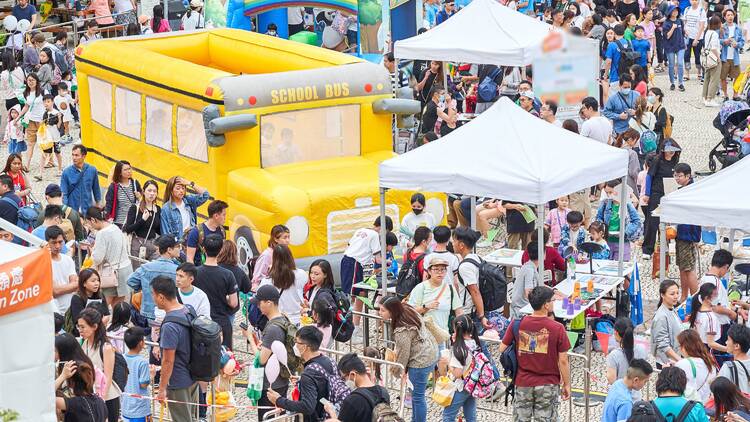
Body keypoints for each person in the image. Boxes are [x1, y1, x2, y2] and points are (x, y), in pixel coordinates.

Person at [499, 286, 571, 421]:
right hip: (548, 384)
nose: (553, 303)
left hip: (523, 382)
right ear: (546, 305)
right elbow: (563, 361)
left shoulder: (517, 324)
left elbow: (502, 348)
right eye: (552, 300)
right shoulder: (557, 328)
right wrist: (567, 384)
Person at [378, 297, 436, 422]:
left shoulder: (402, 329)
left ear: (392, 311)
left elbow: (403, 355)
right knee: (417, 396)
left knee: (418, 397)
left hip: (420, 361)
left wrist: (396, 371)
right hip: (429, 352)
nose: (379, 313)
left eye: (382, 310)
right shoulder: (408, 310)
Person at [152, 275, 199, 421]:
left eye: (153, 295)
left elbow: (168, 361)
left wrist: (161, 389)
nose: (153, 299)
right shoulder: (188, 310)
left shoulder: (169, 326)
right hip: (193, 376)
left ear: (161, 297)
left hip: (178, 382)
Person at [266, 326, 335, 422]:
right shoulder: (329, 361)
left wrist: (279, 400)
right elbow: (321, 385)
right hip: (328, 414)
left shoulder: (309, 374)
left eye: (296, 342)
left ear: (305, 347)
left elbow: (307, 406)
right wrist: (301, 381)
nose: (295, 346)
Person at [341, 216, 392, 326]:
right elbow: (378, 259)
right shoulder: (375, 235)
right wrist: (389, 262)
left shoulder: (360, 230)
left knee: (361, 293)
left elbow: (349, 246)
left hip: (348, 261)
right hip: (354, 264)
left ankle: (356, 325)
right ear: (384, 228)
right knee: (351, 297)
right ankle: (347, 328)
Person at [252, 285, 291, 421]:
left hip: (271, 385)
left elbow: (261, 359)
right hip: (281, 381)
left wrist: (250, 339)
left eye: (259, 302)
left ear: (269, 303)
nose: (257, 306)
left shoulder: (273, 328)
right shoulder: (284, 319)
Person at [193, 234, 238, 348]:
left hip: (199, 323)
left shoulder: (195, 273)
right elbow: (234, 303)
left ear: (203, 249)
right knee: (225, 361)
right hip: (221, 322)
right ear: (220, 250)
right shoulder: (228, 275)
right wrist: (225, 298)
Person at [77, 308, 122, 421]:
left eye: (83, 327)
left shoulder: (106, 347)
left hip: (107, 398)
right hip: (92, 395)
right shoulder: (85, 344)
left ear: (95, 327)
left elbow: (108, 377)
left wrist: (101, 401)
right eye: (79, 326)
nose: (80, 330)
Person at [438, 314, 481, 422]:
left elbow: (457, 373)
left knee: (448, 415)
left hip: (460, 386)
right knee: (470, 415)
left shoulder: (460, 350)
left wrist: (448, 362)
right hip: (471, 384)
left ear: (456, 330)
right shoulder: (474, 343)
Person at [642, 139, 681, 258]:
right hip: (656, 194)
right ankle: (647, 249)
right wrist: (647, 194)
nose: (671, 153)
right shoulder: (657, 160)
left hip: (669, 194)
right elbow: (649, 177)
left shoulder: (675, 162)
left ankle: (666, 246)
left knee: (669, 222)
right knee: (652, 222)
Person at [86, 206, 133, 306]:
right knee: (119, 304)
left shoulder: (102, 234)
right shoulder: (115, 227)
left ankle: (104, 321)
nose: (89, 226)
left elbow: (98, 258)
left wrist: (92, 252)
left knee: (105, 305)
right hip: (125, 269)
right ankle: (116, 321)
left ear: (93, 220)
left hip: (111, 273)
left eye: (89, 223)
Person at [127, 235, 180, 321]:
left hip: (147, 312)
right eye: (178, 246)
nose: (180, 249)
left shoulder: (146, 267)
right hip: (170, 313)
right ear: (169, 250)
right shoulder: (178, 270)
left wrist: (145, 288)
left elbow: (131, 281)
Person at [408, 257, 463, 337]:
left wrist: (459, 331)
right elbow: (409, 312)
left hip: (443, 335)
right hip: (424, 337)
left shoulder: (450, 289)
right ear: (429, 271)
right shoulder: (421, 288)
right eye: (436, 269)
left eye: (442, 269)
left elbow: (459, 312)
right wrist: (426, 307)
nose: (439, 272)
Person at [329, 353, 391, 422]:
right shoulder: (384, 392)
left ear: (352, 374)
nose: (344, 382)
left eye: (344, 378)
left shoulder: (352, 401)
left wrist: (332, 413)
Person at [453, 227, 492, 331]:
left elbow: (474, 291)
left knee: (473, 343)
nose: (452, 243)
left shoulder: (465, 267)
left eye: (454, 240)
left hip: (470, 312)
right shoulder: (476, 257)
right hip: (477, 309)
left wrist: (481, 316)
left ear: (461, 245)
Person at [596, 179, 642, 260]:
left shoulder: (627, 204)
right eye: (607, 193)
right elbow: (598, 218)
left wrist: (625, 232)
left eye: (611, 192)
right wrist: (602, 229)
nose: (609, 195)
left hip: (623, 243)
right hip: (607, 241)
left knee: (622, 267)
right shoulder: (605, 203)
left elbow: (637, 221)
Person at [700, 249, 736, 346]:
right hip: (719, 326)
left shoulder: (704, 278)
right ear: (726, 266)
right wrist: (731, 313)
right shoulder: (715, 282)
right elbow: (714, 307)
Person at [123, 179, 162, 268]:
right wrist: (143, 220)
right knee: (137, 272)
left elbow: (158, 230)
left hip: (152, 245)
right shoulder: (135, 208)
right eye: (149, 190)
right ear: (143, 192)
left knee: (152, 271)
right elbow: (128, 228)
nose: (152, 193)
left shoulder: (157, 209)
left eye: (154, 191)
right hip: (137, 244)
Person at [159, 175, 209, 241]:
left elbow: (205, 195)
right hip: (177, 245)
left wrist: (190, 183)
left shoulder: (189, 201)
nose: (181, 191)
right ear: (171, 190)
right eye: (178, 188)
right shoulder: (166, 209)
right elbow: (165, 233)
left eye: (183, 188)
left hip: (192, 242)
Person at [675, 329, 718, 402]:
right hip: (706, 404)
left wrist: (667, 371)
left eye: (680, 345)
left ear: (685, 346)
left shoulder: (682, 364)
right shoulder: (710, 362)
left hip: (688, 406)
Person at [122, 327, 153, 422]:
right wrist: (152, 375)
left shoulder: (122, 358)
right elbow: (143, 384)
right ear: (141, 343)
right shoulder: (142, 362)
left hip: (125, 405)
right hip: (140, 408)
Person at [61, 145, 102, 215]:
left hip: (87, 209)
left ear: (84, 156)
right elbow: (63, 193)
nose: (74, 158)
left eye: (77, 155)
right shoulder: (66, 172)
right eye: (73, 155)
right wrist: (65, 210)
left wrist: (98, 204)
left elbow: (96, 189)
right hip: (72, 211)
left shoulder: (92, 170)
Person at [185, 199, 228, 265]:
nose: (225, 217)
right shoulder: (196, 232)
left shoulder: (222, 231)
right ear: (216, 216)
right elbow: (189, 259)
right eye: (224, 215)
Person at [688, 283, 727, 354]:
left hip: (700, 348)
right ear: (706, 298)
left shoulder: (697, 311)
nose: (717, 297)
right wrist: (729, 349)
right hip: (711, 353)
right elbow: (711, 343)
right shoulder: (710, 317)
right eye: (715, 295)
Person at [607, 318, 649, 384]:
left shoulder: (614, 355)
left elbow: (611, 380)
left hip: (619, 392)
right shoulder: (642, 349)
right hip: (636, 393)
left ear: (616, 333)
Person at [652, 279, 683, 368]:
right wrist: (680, 360)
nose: (676, 296)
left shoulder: (671, 309)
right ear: (662, 295)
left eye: (677, 293)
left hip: (675, 358)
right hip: (667, 362)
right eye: (672, 294)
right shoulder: (661, 317)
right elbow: (663, 344)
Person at [47, 226, 77, 315]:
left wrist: (63, 288)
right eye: (54, 243)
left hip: (69, 310)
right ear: (47, 243)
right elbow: (55, 291)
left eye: (60, 242)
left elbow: (75, 286)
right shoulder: (45, 262)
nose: (57, 246)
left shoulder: (68, 259)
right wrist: (71, 286)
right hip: (54, 312)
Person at [68, 269, 108, 336]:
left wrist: (98, 326)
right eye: (93, 281)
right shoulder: (77, 298)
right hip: (81, 333)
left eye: (98, 280)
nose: (96, 283)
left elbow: (106, 314)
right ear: (84, 283)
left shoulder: (100, 294)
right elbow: (78, 321)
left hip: (98, 329)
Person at [104, 160, 142, 229]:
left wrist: (139, 197)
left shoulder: (135, 184)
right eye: (125, 170)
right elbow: (109, 204)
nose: (129, 171)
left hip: (132, 223)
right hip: (117, 223)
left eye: (129, 168)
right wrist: (107, 219)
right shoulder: (114, 186)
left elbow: (141, 202)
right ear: (119, 173)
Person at [512, 242, 545, 318]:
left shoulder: (529, 265)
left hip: (522, 306)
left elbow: (541, 285)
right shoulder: (529, 270)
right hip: (522, 310)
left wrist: (554, 292)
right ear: (542, 254)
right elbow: (528, 293)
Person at [18, 73, 45, 166]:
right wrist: (18, 117)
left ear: (37, 81)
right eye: (29, 80)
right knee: (30, 143)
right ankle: (27, 164)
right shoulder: (26, 93)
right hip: (30, 120)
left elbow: (49, 104)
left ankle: (50, 161)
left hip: (42, 121)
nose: (30, 82)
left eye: (33, 80)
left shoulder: (43, 92)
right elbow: (26, 106)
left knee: (44, 142)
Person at [252, 224, 290, 290]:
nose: (288, 240)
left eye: (288, 237)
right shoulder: (266, 255)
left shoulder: (286, 252)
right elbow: (257, 279)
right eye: (285, 237)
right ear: (275, 239)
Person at [718, 324, 750, 393]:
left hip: (738, 403)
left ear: (737, 346)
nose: (726, 342)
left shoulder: (728, 367)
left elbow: (719, 391)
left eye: (728, 340)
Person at [720, 9, 744, 100]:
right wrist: (724, 41)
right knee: (723, 77)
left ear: (734, 16)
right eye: (728, 15)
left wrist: (737, 44)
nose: (730, 17)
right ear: (725, 17)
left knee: (737, 77)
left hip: (735, 57)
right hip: (724, 57)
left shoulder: (738, 28)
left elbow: (742, 42)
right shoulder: (721, 27)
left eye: (731, 15)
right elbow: (717, 40)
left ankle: (735, 95)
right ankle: (725, 95)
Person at [662, 5, 686, 91]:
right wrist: (672, 28)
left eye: (676, 11)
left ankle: (680, 83)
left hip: (680, 46)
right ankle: (672, 82)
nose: (675, 12)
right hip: (670, 47)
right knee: (671, 65)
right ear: (669, 12)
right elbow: (667, 36)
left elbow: (682, 33)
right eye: (673, 11)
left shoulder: (680, 21)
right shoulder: (666, 23)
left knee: (680, 63)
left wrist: (685, 38)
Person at [683, 0, 706, 82]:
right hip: (688, 37)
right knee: (686, 55)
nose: (693, 1)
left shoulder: (701, 11)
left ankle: (699, 71)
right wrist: (685, 31)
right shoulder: (687, 9)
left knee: (697, 55)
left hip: (698, 37)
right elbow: (684, 22)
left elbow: (702, 26)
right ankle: (687, 73)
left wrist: (696, 39)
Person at [702, 16, 722, 106]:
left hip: (707, 58)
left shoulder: (707, 32)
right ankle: (710, 99)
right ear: (716, 24)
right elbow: (714, 48)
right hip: (713, 58)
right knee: (714, 79)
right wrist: (718, 58)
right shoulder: (714, 34)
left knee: (707, 78)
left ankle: (705, 97)